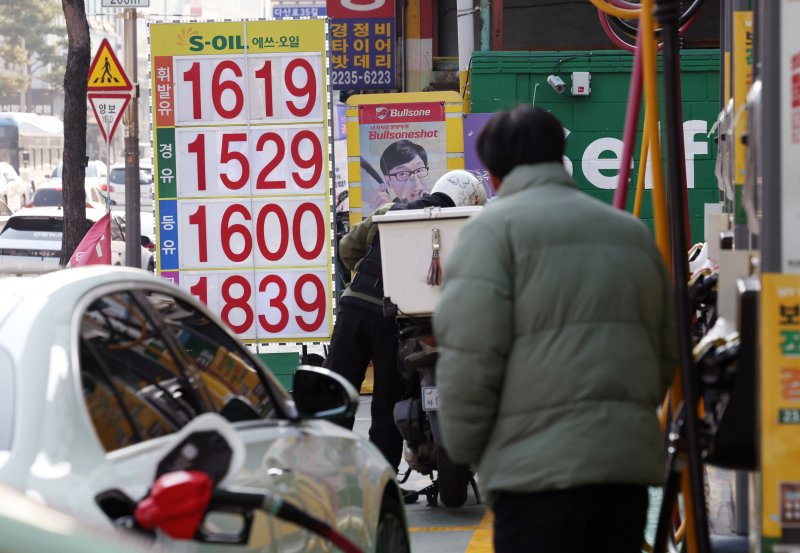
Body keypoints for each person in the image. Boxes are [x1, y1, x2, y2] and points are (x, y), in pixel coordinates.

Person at [432, 106, 677, 552]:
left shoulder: (489, 234)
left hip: (533, 479)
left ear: (491, 170)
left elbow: (469, 358)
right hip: (623, 472)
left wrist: (468, 452)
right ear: (558, 155)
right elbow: (665, 350)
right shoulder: (630, 233)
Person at [324, 170, 487, 474]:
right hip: (394, 321)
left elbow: (347, 248)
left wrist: (359, 279)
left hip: (354, 309)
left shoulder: (392, 211)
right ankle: (381, 481)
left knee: (337, 394)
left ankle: (327, 475)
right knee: (386, 402)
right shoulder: (465, 226)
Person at [369, 140, 431, 209]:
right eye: (403, 174)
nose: (416, 182)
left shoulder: (439, 203)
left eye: (419, 170)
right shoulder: (387, 208)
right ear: (388, 180)